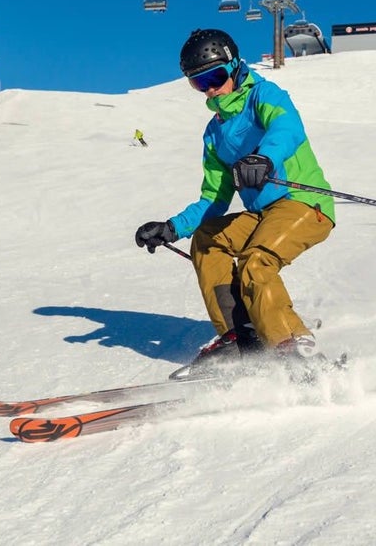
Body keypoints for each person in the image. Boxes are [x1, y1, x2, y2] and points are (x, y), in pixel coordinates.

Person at [134, 28, 336, 376]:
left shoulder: (264, 95)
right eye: (200, 83)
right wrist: (172, 228)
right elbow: (214, 198)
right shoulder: (214, 133)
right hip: (263, 214)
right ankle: (240, 340)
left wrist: (266, 159)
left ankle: (291, 351)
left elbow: (286, 129)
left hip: (304, 203)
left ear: (235, 66)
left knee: (255, 263)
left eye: (215, 76)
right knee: (208, 237)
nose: (211, 89)